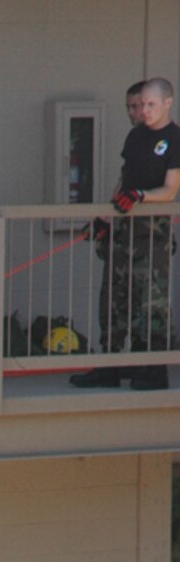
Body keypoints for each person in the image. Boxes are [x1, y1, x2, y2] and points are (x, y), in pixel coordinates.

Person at [72, 76, 180, 390]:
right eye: (141, 104)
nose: (144, 111)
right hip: (124, 231)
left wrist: (142, 196)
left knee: (151, 301)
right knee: (113, 299)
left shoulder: (174, 139)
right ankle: (110, 364)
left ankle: (155, 369)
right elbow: (123, 180)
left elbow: (170, 190)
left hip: (152, 234)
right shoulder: (135, 137)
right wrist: (106, 216)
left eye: (151, 104)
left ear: (167, 103)